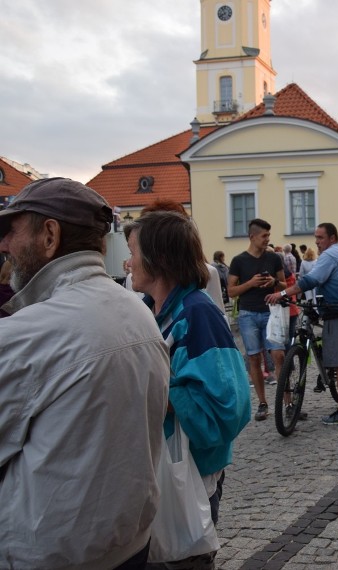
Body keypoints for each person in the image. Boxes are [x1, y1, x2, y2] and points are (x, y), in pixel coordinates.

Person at [0, 177, 169, 569]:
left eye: (11, 231)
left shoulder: (30, 332)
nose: (4, 245)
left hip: (50, 554)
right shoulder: (136, 310)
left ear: (49, 235)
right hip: (127, 543)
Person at [124, 211, 251, 569]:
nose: (127, 262)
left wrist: (159, 395)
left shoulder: (198, 314)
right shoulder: (150, 310)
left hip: (192, 476)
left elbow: (227, 410)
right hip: (159, 473)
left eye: (133, 252)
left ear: (159, 258)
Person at [273, 222, 338, 425]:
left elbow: (310, 280)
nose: (317, 242)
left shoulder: (329, 256)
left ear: (332, 238)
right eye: (316, 238)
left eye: (321, 238)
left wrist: (283, 293)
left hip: (336, 312)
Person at [228, 218, 289, 421]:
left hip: (271, 312)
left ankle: (287, 402)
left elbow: (285, 285)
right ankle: (262, 403)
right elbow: (231, 291)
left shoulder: (274, 259)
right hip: (248, 315)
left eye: (268, 236)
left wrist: (274, 282)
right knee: (254, 358)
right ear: (252, 237)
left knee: (279, 356)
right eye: (264, 236)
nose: (267, 239)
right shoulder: (238, 261)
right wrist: (251, 283)